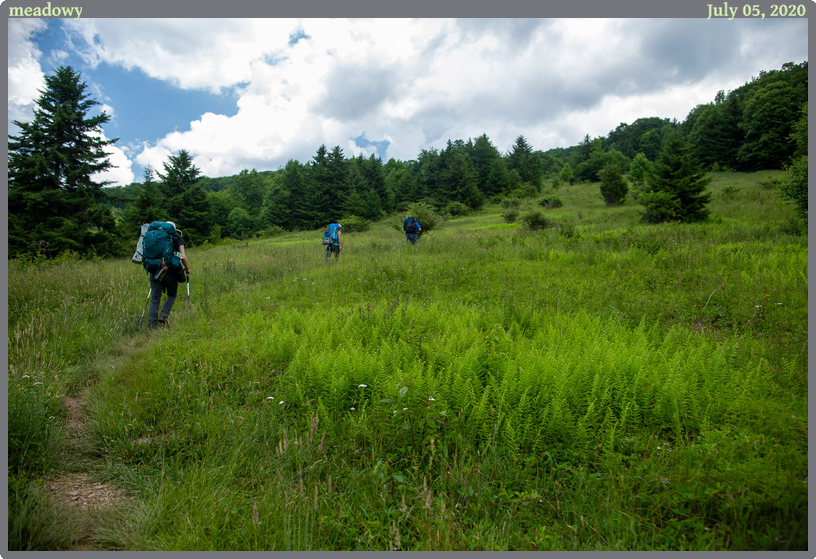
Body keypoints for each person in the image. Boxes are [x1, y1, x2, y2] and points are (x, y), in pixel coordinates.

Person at [148, 221, 191, 329]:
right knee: (171, 294)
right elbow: (183, 257)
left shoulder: (154, 236)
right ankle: (163, 315)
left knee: (155, 298)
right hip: (170, 270)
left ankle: (152, 326)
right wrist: (187, 268)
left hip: (154, 269)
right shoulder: (177, 238)